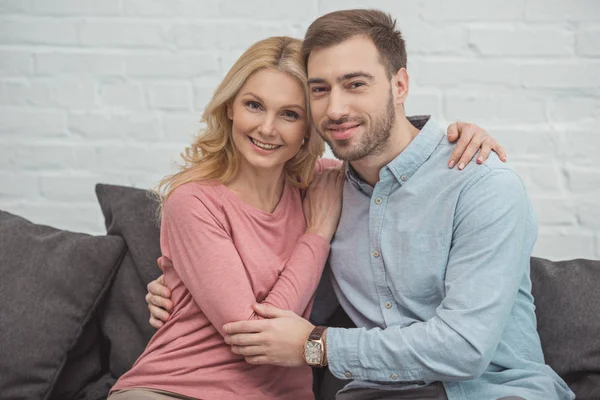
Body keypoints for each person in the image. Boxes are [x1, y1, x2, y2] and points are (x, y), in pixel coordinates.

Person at [147, 9, 575, 400]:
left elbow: (465, 347)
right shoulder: (324, 190)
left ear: (400, 85)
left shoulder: (480, 183)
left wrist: (315, 345)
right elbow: (259, 279)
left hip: (492, 391)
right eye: (320, 90)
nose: (336, 108)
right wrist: (179, 288)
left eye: (356, 84)